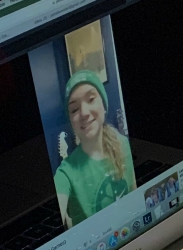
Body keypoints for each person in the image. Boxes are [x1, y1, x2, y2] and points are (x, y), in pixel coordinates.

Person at [55, 70, 136, 227]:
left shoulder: (123, 144)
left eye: (91, 99)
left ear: (104, 106)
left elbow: (134, 196)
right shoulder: (66, 173)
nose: (84, 112)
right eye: (74, 109)